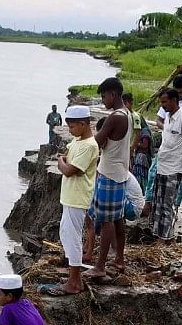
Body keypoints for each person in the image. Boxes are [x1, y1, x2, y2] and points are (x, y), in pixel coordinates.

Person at [43, 105, 97, 296]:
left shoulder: (89, 145)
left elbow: (69, 169)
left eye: (73, 126)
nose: (71, 130)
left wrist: (60, 162)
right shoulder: (77, 141)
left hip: (77, 197)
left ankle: (74, 281)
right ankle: (75, 278)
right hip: (70, 197)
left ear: (83, 124)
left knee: (72, 237)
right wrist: (64, 160)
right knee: (66, 234)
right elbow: (67, 157)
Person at [85, 77, 133, 279]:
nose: (103, 101)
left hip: (109, 174)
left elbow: (97, 141)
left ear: (113, 94)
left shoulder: (116, 117)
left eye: (104, 96)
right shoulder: (128, 114)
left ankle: (100, 266)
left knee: (105, 221)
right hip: (120, 173)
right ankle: (119, 259)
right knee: (118, 219)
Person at [146, 88, 182, 244]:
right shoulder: (167, 118)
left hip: (174, 169)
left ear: (174, 100)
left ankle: (165, 238)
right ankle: (162, 235)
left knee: (168, 205)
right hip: (162, 167)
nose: (163, 105)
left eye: (164, 102)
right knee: (158, 204)